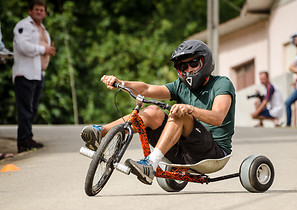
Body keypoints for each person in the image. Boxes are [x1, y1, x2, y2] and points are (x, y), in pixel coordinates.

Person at [81, 40, 235, 185]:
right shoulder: (180, 86)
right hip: (182, 151)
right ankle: (100, 133)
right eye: (183, 67)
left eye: (193, 63)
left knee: (180, 112)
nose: (189, 70)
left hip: (213, 154)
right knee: (152, 111)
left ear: (204, 62)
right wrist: (121, 83)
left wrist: (189, 108)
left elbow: (218, 118)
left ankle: (150, 163)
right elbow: (147, 89)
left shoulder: (221, 84)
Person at [13, 0, 56, 153]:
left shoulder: (44, 29)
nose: (39, 12)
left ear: (45, 13)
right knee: (25, 109)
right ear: (30, 11)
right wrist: (43, 49)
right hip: (25, 73)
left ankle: (28, 137)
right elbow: (22, 46)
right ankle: (23, 141)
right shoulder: (23, 26)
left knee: (33, 109)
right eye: (36, 9)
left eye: (41, 10)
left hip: (38, 74)